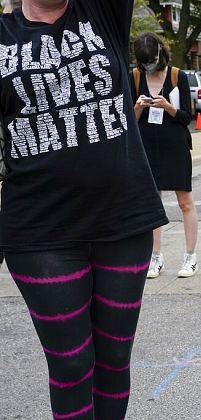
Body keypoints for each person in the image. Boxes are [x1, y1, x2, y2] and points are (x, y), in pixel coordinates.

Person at [0, 1, 169, 418]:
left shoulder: (101, 11)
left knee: (113, 362)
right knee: (72, 365)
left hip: (123, 222)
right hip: (41, 234)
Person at [132, 32, 199, 279]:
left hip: (175, 146)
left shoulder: (176, 75)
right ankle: (155, 257)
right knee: (153, 203)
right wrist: (138, 107)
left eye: (151, 59)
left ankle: (190, 257)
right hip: (147, 147)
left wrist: (168, 107)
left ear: (161, 52)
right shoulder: (135, 76)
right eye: (144, 61)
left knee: (185, 202)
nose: (149, 65)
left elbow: (186, 118)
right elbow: (129, 120)